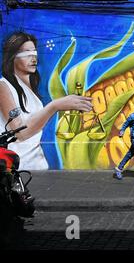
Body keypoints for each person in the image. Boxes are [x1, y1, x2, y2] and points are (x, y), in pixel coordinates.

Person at [0, 32, 93, 170]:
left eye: (34, 53)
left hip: (37, 164)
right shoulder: (4, 86)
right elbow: (20, 132)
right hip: (18, 166)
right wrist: (54, 106)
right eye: (27, 53)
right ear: (13, 57)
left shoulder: (28, 88)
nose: (33, 58)